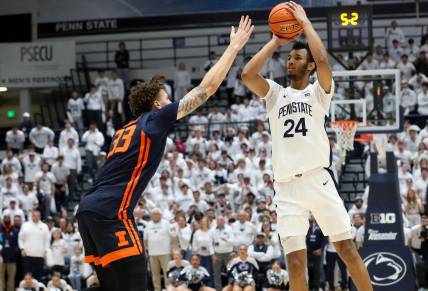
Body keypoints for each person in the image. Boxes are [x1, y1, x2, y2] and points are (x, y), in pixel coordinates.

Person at [75, 17, 253, 291]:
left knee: (110, 284)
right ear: (158, 104)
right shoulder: (155, 119)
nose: (172, 103)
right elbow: (206, 90)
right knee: (136, 279)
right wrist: (234, 47)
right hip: (112, 211)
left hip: (87, 210)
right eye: (168, 98)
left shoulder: (125, 129)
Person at [241, 3, 372, 291]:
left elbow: (324, 61)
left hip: (318, 179)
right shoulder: (275, 93)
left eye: (298, 57)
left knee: (347, 251)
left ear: (309, 65)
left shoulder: (318, 92)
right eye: (289, 58)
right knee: (296, 264)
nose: (291, 61)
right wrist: (276, 40)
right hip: (286, 188)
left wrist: (306, 24)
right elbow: (248, 75)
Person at [18, 210, 50, 282]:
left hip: (40, 256)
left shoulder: (44, 226)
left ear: (40, 216)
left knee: (38, 277)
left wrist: (46, 251)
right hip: (28, 255)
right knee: (27, 276)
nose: (36, 217)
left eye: (38, 216)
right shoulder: (25, 225)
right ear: (32, 216)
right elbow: (20, 239)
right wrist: (22, 249)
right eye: (34, 215)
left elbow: (47, 240)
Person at [0, 214, 19, 291]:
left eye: (8, 218)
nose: (7, 219)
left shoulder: (15, 231)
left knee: (11, 279)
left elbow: (18, 244)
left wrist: (15, 251)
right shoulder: (0, 230)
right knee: (0, 278)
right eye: (5, 218)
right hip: (1, 258)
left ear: (10, 220)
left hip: (12, 259)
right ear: (3, 220)